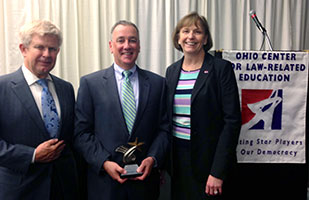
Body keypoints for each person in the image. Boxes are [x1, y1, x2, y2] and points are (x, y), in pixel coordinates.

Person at [74, 20, 170, 200]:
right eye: (121, 40)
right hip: (104, 185)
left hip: (145, 184)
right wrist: (104, 163)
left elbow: (164, 130)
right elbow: (81, 133)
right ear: (111, 46)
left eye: (132, 40)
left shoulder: (158, 84)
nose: (127, 46)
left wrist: (153, 158)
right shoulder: (90, 84)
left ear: (139, 46)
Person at [165, 12, 241, 200]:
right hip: (178, 162)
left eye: (197, 32)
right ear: (178, 38)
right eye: (185, 31)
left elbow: (232, 122)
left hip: (209, 163)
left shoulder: (221, 69)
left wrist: (218, 172)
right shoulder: (172, 71)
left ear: (205, 38)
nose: (191, 36)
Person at [0, 20, 78, 199]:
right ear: (23, 49)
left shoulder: (66, 88)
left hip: (64, 188)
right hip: (20, 191)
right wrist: (33, 155)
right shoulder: (2, 88)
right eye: (40, 47)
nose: (47, 54)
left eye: (52, 49)